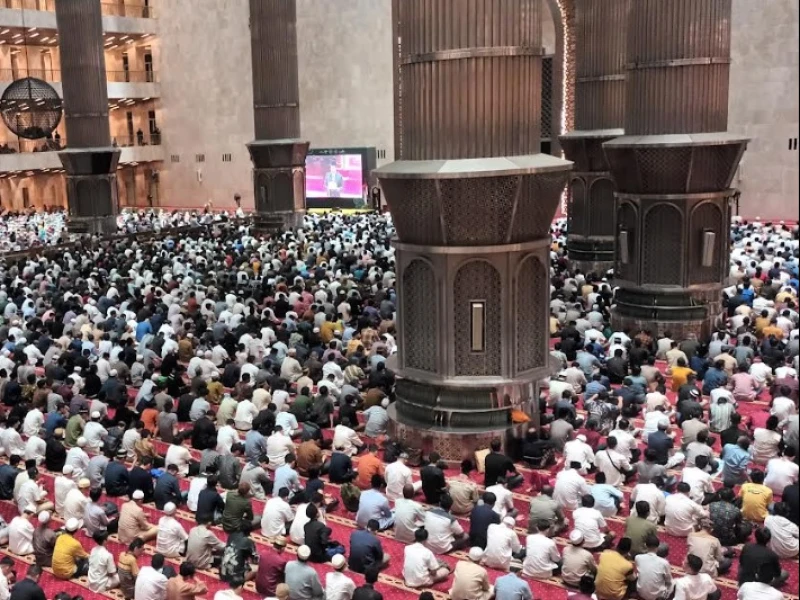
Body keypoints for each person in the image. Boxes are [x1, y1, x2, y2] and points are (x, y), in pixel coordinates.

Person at [635, 534, 674, 600]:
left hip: (641, 593)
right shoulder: (664, 562)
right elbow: (669, 581)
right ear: (658, 546)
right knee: (674, 583)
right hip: (657, 596)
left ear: (645, 545)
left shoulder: (638, 557)